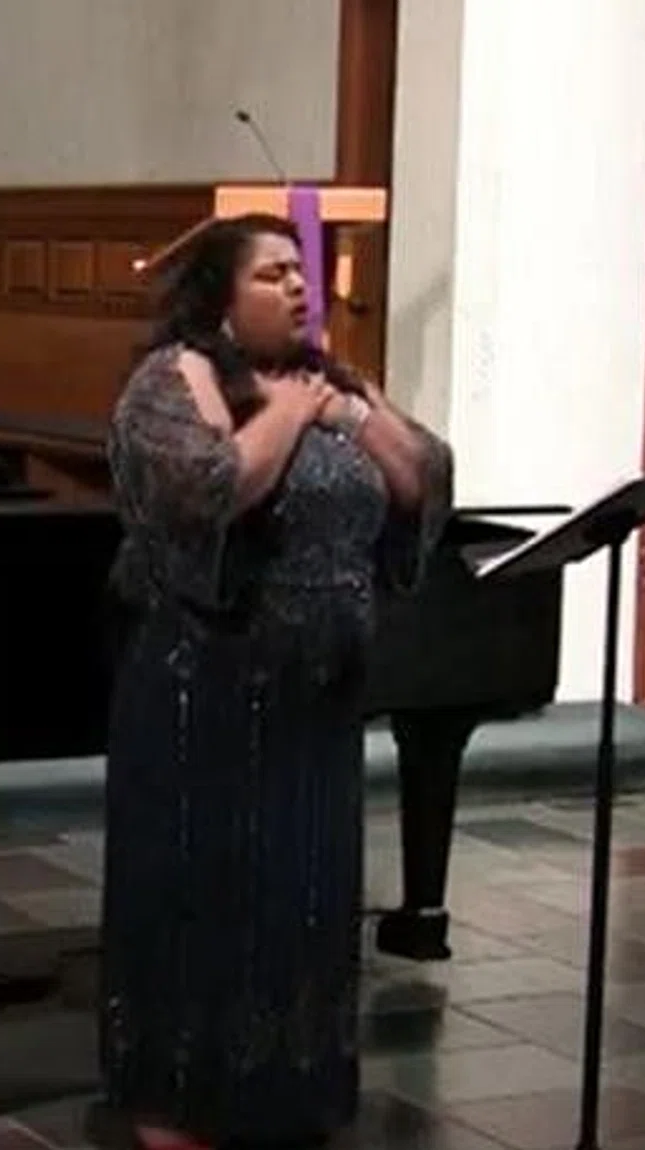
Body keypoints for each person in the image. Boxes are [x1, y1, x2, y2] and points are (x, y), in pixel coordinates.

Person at [95, 215, 453, 1149]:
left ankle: (288, 1094)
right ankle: (178, 1104)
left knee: (302, 899)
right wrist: (289, 414)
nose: (299, 287)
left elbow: (424, 481)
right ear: (219, 296)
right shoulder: (176, 381)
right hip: (204, 696)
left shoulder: (338, 382)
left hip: (316, 702)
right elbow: (212, 490)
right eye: (273, 274)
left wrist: (352, 416)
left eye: (303, 272)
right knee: (205, 900)